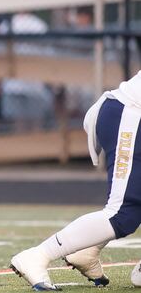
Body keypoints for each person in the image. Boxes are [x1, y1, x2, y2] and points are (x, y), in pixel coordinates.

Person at [10, 70, 141, 290]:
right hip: (130, 114)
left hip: (128, 114)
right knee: (122, 213)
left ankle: (87, 251)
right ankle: (37, 256)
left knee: (131, 211)